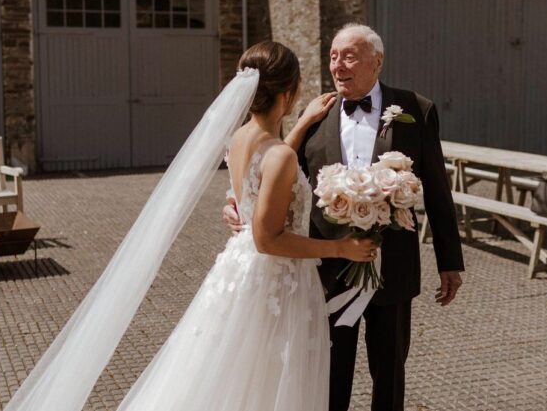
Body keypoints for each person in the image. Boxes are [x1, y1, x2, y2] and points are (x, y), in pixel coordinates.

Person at [111, 41, 378, 411]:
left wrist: (300, 125)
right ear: (291, 91)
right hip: (279, 279)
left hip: (239, 270)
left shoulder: (239, 139)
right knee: (270, 381)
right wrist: (340, 248)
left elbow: (263, 175)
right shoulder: (281, 156)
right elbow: (268, 238)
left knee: (232, 374)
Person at [224, 24, 465, 411]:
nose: (338, 65)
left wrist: (449, 262)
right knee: (329, 374)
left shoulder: (415, 110)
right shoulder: (313, 113)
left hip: (393, 269)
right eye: (333, 56)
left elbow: (437, 190)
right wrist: (238, 204)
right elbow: (277, 177)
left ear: (377, 61)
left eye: (349, 56)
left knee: (389, 374)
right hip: (327, 271)